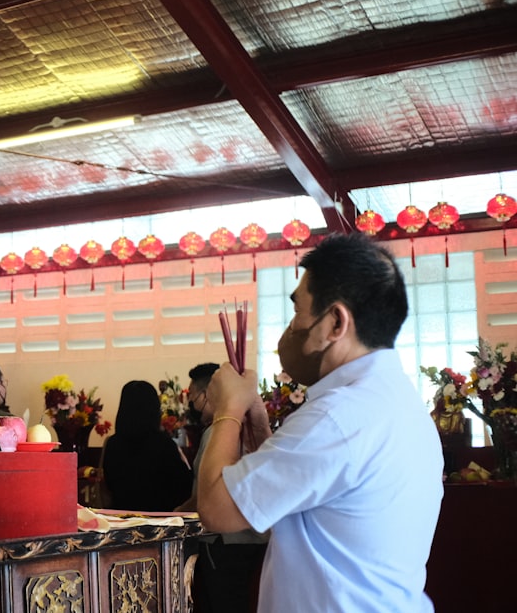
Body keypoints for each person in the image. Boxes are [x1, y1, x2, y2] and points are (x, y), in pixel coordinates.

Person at [197, 233, 443, 613]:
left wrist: (228, 407)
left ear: (335, 322)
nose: (292, 327)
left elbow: (217, 509)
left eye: (298, 312)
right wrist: (261, 432)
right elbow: (283, 509)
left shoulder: (339, 415)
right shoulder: (395, 402)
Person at [178, 362, 267, 613]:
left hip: (224, 542)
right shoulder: (247, 428)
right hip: (254, 535)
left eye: (193, 397)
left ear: (209, 395)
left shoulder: (218, 433)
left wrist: (173, 514)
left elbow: (207, 494)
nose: (193, 405)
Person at [100, 380, 192, 512]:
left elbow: (110, 485)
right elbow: (184, 488)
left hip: (122, 521)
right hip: (160, 523)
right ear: (154, 409)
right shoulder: (164, 444)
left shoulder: (112, 444)